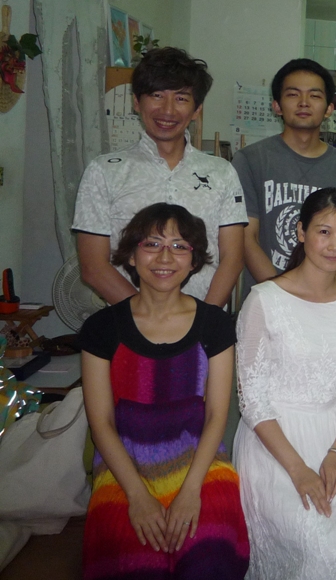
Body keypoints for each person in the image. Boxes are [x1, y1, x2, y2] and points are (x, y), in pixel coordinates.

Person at [79, 203, 249, 579]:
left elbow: (216, 416)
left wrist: (191, 491)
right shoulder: (101, 328)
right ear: (131, 255)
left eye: (179, 246)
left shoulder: (215, 325)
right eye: (152, 244)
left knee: (210, 553)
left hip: (199, 462)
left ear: (194, 260)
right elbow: (101, 422)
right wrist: (137, 496)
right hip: (125, 465)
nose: (165, 257)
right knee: (134, 559)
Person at [233, 187, 336, 578]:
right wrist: (298, 469)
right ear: (301, 232)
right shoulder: (263, 300)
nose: (335, 245)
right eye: (323, 232)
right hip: (275, 443)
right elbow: (252, 401)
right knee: (318, 542)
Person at [74, 47, 247, 307]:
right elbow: (93, 266)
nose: (168, 110)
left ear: (197, 109)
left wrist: (202, 321)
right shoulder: (104, 171)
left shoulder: (222, 172)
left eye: (181, 98)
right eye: (157, 95)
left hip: (202, 321)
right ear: (136, 102)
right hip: (128, 322)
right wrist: (147, 319)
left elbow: (232, 259)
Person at [231, 59, 336, 292]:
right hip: (268, 298)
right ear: (277, 106)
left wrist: (333, 296)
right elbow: (246, 237)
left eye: (314, 95)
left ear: (329, 108)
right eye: (293, 94)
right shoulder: (250, 160)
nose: (304, 102)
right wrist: (280, 295)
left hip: (325, 301)